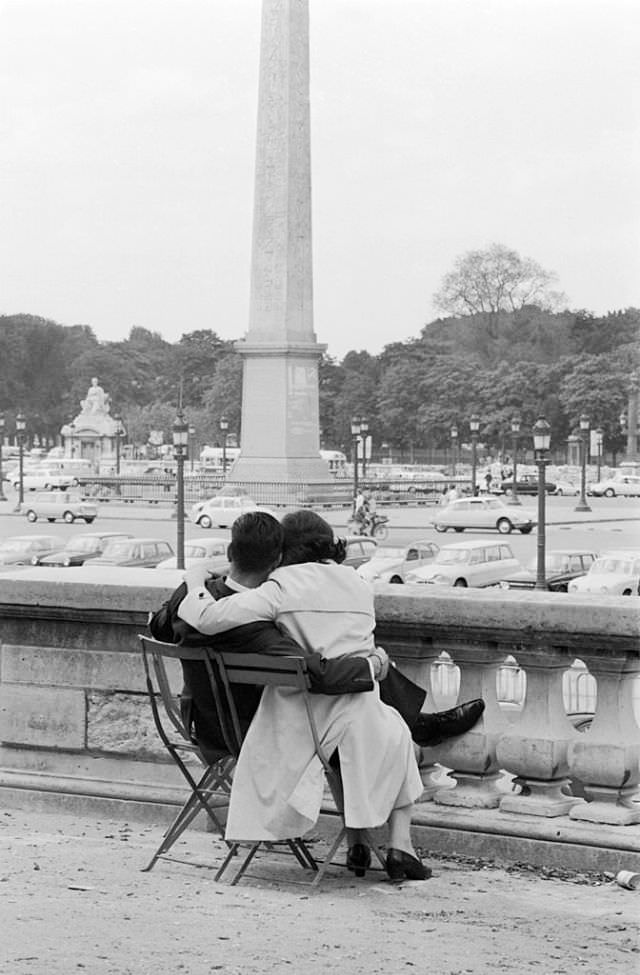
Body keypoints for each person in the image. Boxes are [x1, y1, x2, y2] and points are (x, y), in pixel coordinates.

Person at [178, 510, 432, 881]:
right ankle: (397, 843)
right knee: (391, 731)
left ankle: (361, 844)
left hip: (298, 724)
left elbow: (209, 618)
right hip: (360, 712)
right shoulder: (360, 584)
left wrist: (195, 575)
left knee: (361, 735)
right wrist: (375, 663)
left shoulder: (281, 586)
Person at [150, 512, 484, 759]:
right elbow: (317, 672)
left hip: (197, 724)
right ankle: (415, 724)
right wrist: (373, 663)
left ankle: (415, 723)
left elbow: (158, 629)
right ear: (278, 561)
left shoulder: (190, 594)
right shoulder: (259, 631)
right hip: (250, 733)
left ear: (229, 553)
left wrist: (198, 579)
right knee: (343, 685)